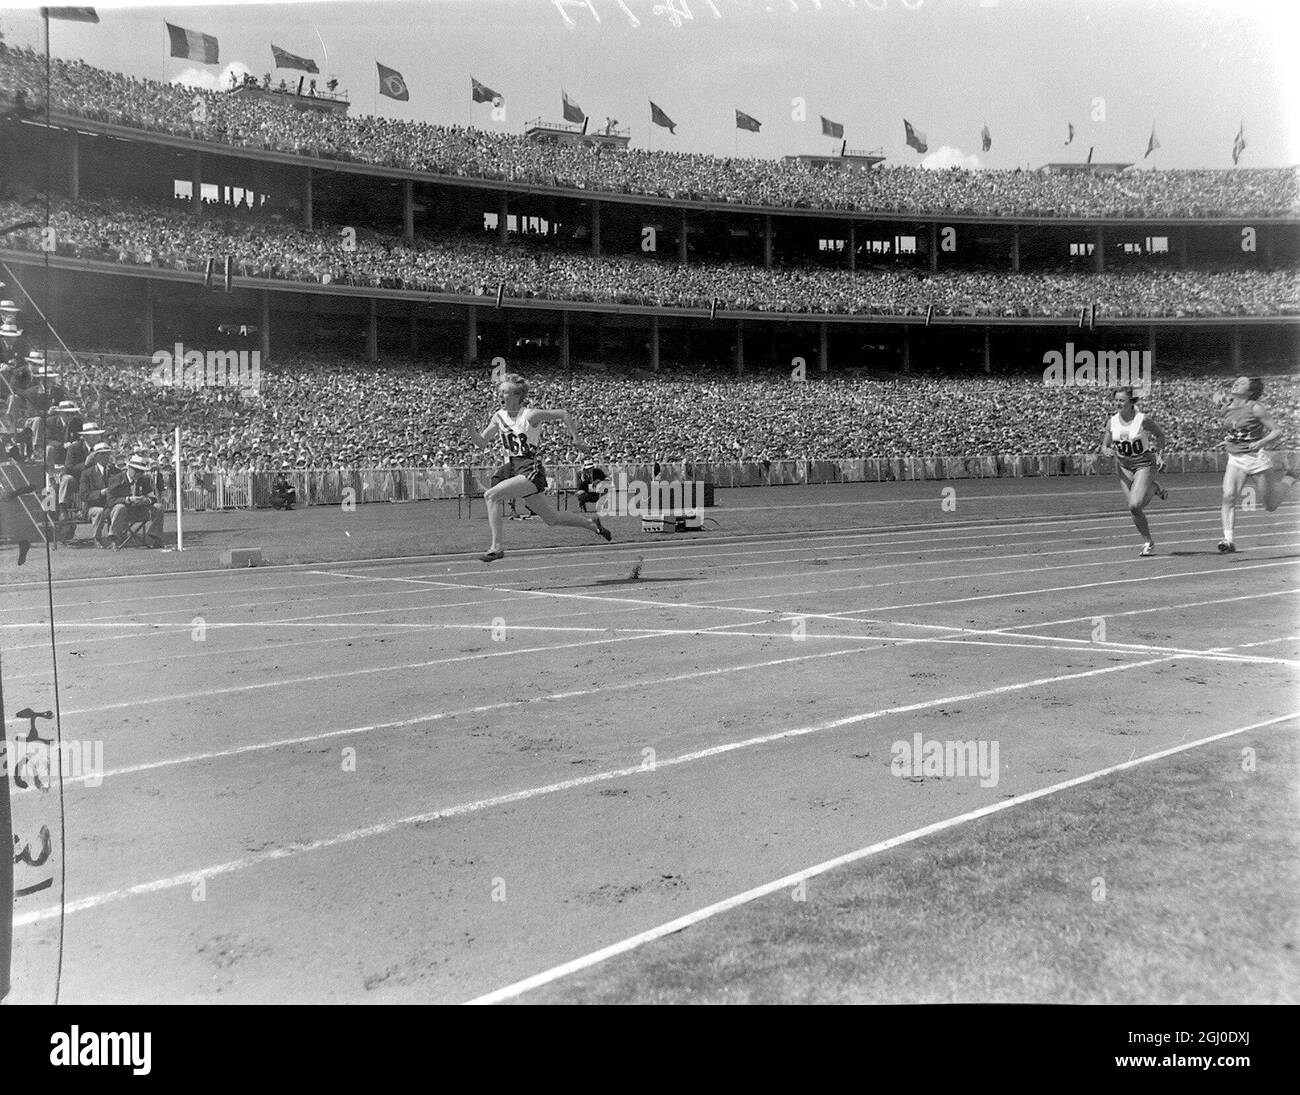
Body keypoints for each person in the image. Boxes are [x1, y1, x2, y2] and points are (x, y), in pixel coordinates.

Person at [460, 372, 611, 562]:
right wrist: (470, 429)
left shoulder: (530, 415)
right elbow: (481, 443)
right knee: (552, 519)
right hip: (513, 468)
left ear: (516, 396)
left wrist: (577, 440)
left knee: (491, 495)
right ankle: (593, 525)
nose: (499, 396)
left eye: (504, 392)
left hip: (529, 467)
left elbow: (563, 414)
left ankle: (496, 547)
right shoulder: (498, 417)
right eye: (499, 392)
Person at [1215, 376, 1298, 553]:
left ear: (1251, 391)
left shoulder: (1256, 408)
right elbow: (1235, 430)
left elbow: (1276, 431)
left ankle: (1290, 478)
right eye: (1236, 381)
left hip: (1256, 460)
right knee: (1228, 496)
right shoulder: (1226, 408)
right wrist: (1228, 441)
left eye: (1242, 382)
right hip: (1236, 458)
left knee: (1270, 506)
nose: (1236, 383)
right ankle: (1228, 541)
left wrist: (1261, 443)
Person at [1099, 386, 1168, 557]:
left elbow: (1160, 435)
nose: (1118, 403)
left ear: (1131, 402)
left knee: (1135, 504)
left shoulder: (1142, 419)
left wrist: (1160, 455)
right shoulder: (1112, 421)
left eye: (1122, 400)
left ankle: (1152, 487)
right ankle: (1148, 541)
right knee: (1134, 509)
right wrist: (1106, 450)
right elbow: (1105, 445)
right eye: (1116, 400)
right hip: (1123, 466)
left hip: (1143, 463)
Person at [107, 454, 164, 549]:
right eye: (136, 470)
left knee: (158, 507)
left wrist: (146, 500)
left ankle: (155, 537)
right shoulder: (116, 479)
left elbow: (153, 498)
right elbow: (110, 501)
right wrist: (128, 499)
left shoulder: (144, 480)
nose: (139, 474)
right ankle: (115, 539)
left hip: (139, 511)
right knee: (119, 507)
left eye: (141, 471)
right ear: (129, 468)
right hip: (121, 512)